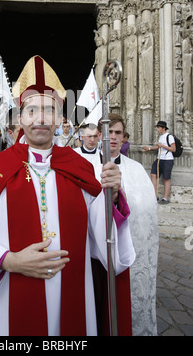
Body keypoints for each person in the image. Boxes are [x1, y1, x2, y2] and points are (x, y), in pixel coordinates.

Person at [0, 56, 135, 336]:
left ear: (59, 118)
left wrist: (113, 198)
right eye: (32, 111)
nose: (41, 118)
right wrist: (9, 261)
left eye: (49, 110)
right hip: (7, 296)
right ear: (20, 118)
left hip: (73, 296)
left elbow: (102, 237)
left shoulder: (80, 168)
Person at [87, 114, 158, 336]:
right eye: (108, 132)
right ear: (99, 135)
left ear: (124, 137)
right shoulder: (85, 166)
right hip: (95, 254)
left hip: (129, 252)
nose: (113, 137)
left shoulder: (137, 170)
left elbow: (147, 212)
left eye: (118, 133)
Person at [143, 120, 176, 204]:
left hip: (167, 160)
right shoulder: (161, 137)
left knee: (166, 178)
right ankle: (155, 195)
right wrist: (149, 149)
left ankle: (165, 198)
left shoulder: (169, 136)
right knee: (153, 174)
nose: (157, 129)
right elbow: (159, 147)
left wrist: (163, 146)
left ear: (163, 128)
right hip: (159, 159)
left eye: (158, 127)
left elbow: (173, 149)